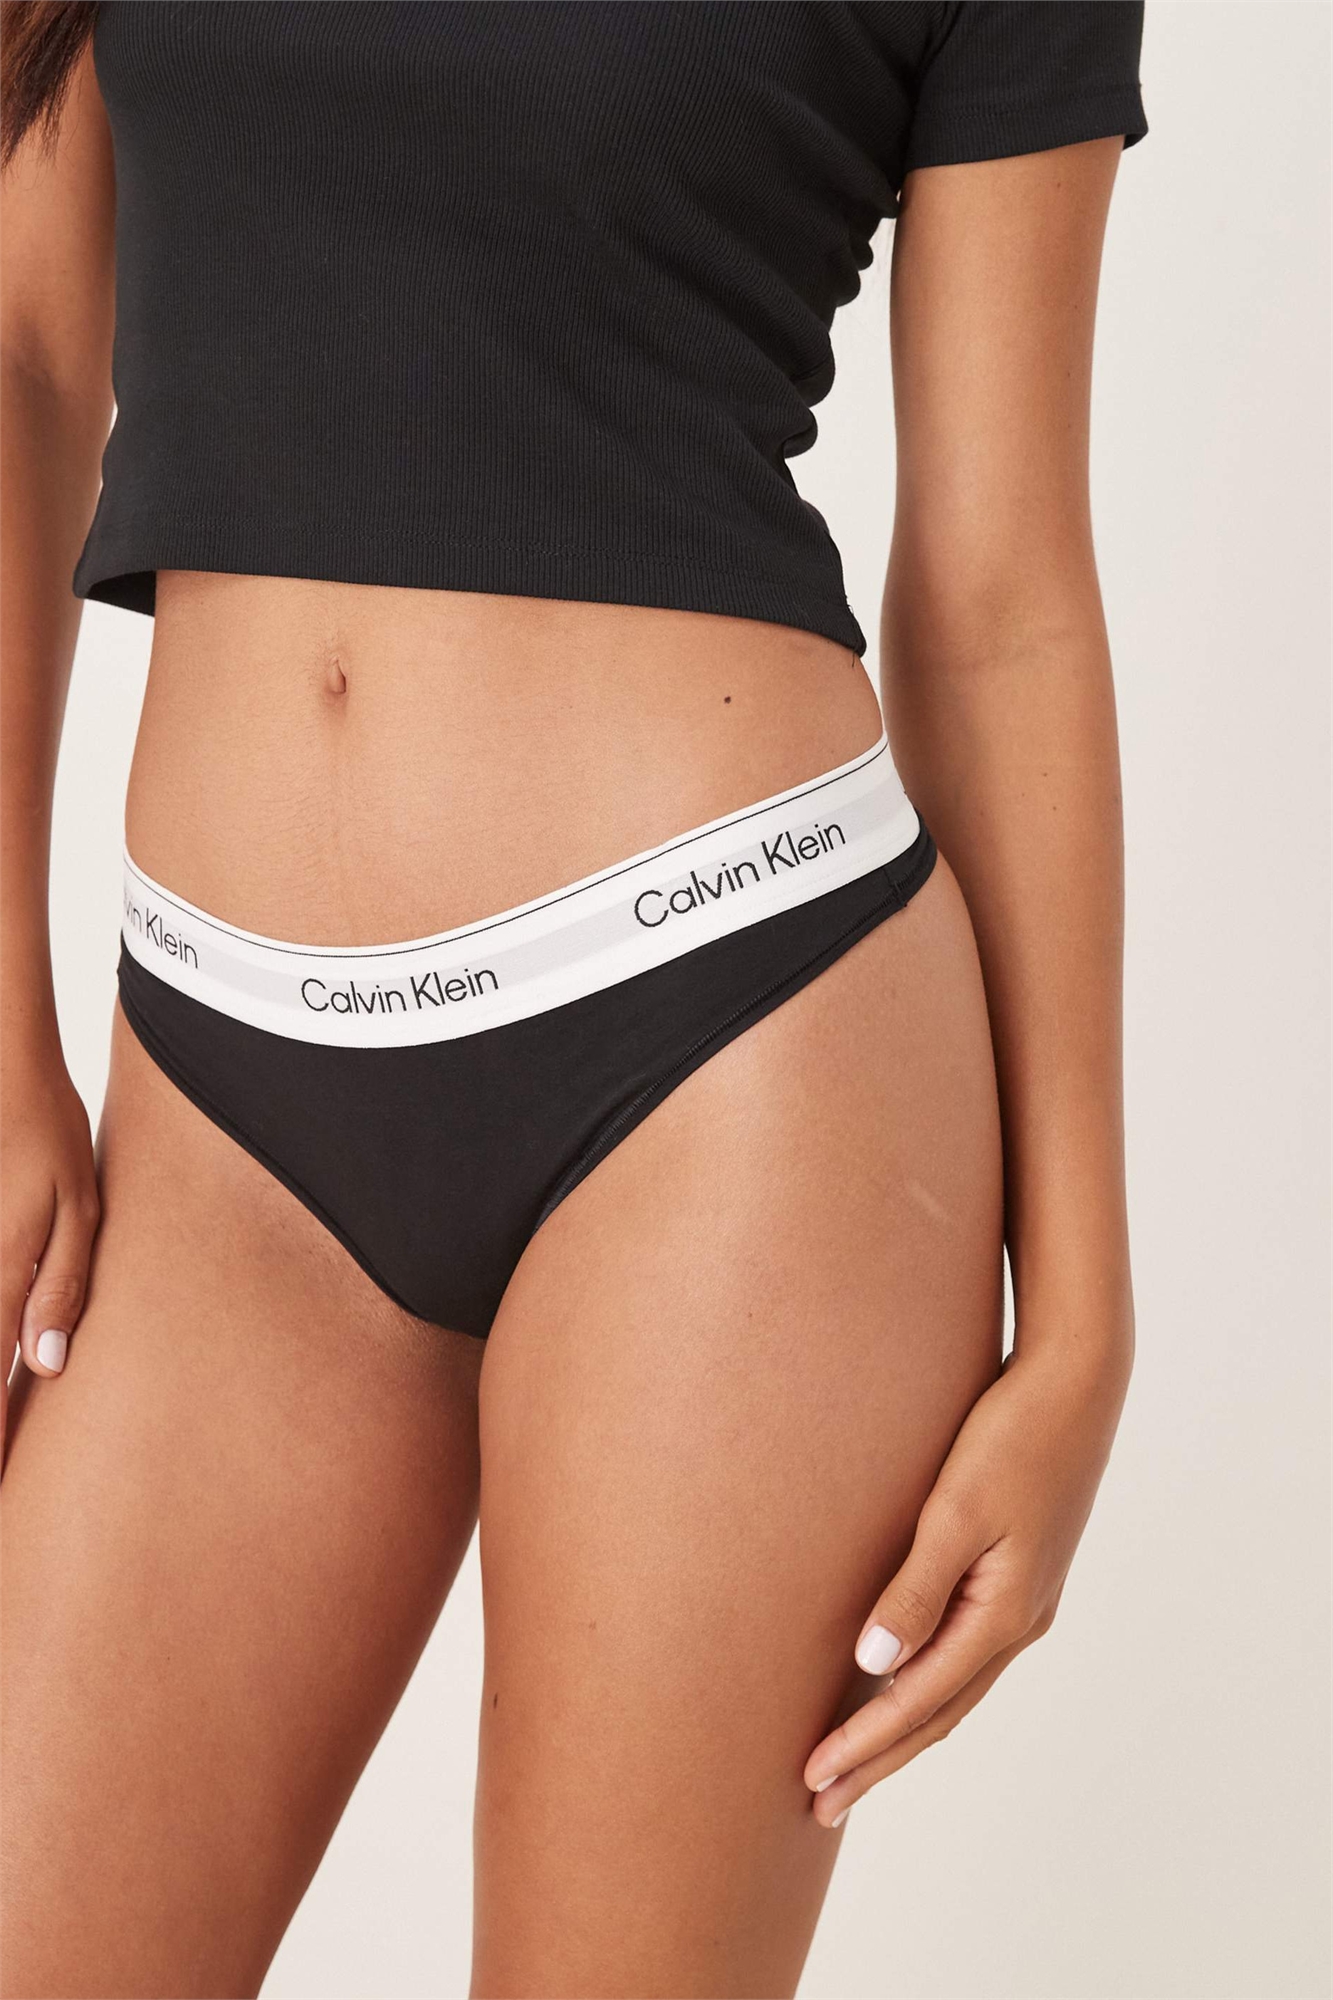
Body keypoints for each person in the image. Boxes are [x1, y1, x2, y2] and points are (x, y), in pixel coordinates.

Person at [0, 4, 1147, 1994]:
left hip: (734, 1050)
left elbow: (995, 598)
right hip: (214, 1106)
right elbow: (23, 352)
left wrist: (1084, 1311)